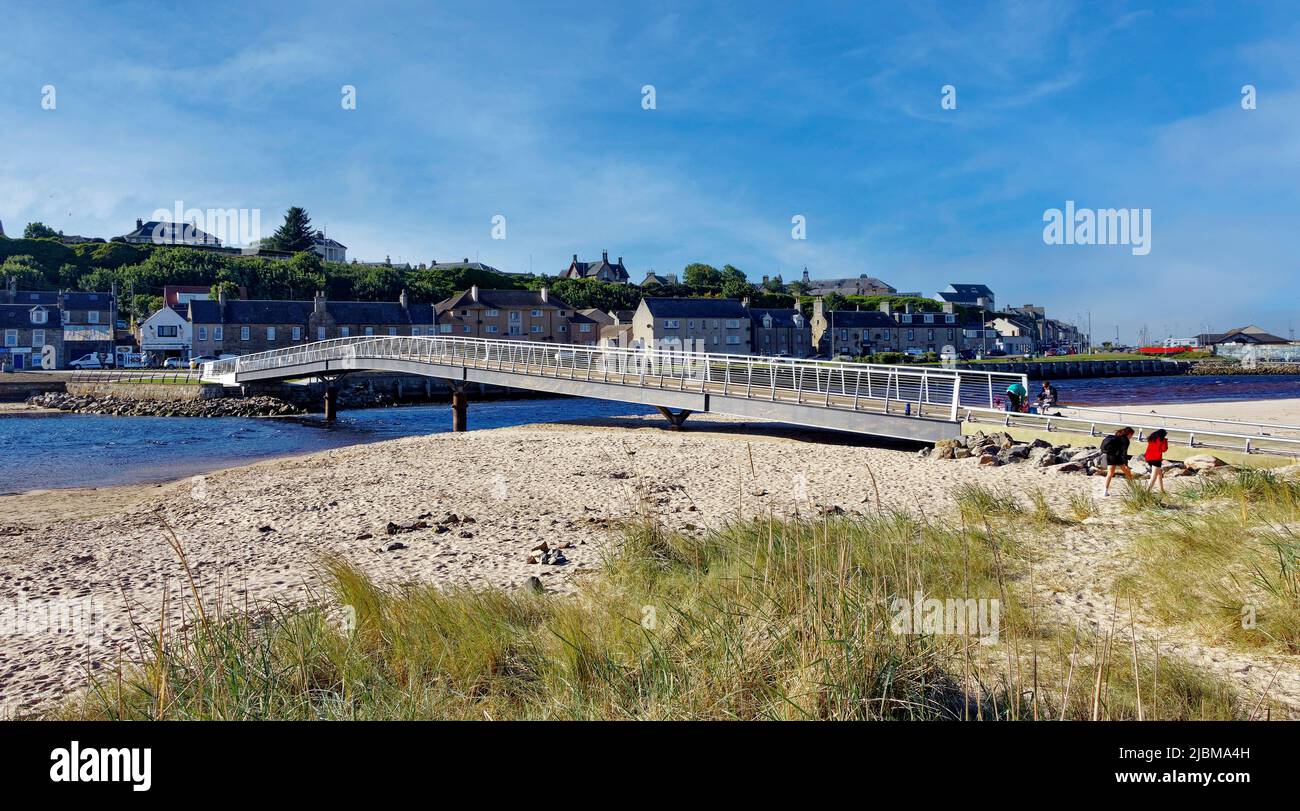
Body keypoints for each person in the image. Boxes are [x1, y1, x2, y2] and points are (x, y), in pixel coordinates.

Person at [1100, 426, 1136, 496]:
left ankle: (1105, 491)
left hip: (1109, 456)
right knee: (1128, 473)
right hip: (1117, 457)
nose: (1132, 437)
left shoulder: (1117, 436)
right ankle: (1133, 490)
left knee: (1110, 473)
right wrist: (1126, 464)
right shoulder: (1125, 440)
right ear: (1129, 434)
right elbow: (1124, 453)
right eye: (1132, 435)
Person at [1144, 428, 1170, 494]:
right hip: (1156, 458)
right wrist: (1165, 442)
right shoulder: (1163, 440)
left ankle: (1162, 490)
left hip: (1148, 457)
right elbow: (1164, 449)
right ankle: (1146, 492)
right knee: (1154, 476)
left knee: (1159, 473)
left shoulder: (1152, 439)